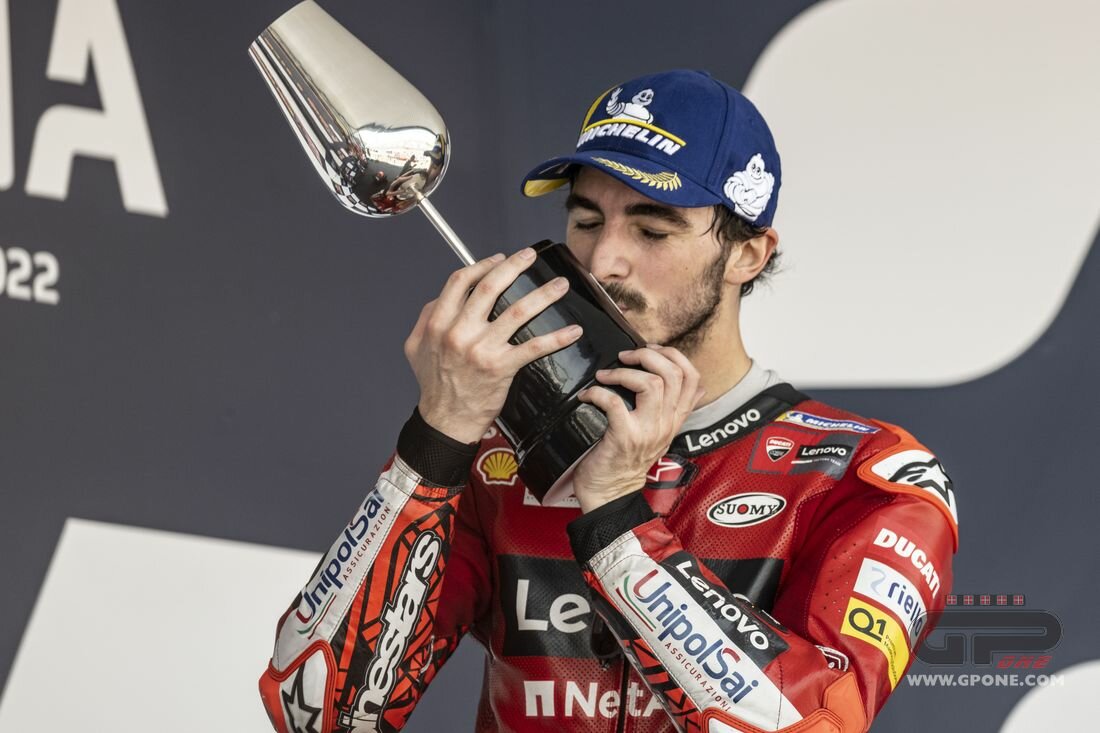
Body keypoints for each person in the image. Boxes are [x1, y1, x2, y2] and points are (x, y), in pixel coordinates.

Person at [258, 70, 958, 733]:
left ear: (748, 253)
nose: (602, 262)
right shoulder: (501, 457)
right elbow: (318, 711)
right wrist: (438, 435)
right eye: (587, 221)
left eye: (652, 230)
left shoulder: (865, 475)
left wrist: (618, 519)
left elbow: (815, 723)